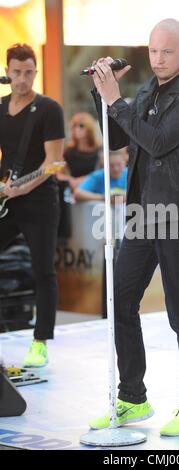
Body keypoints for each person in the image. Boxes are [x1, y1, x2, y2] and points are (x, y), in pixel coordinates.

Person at [89, 18, 179, 437]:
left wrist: (116, 101)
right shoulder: (146, 91)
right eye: (152, 51)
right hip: (141, 214)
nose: (157, 59)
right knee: (120, 301)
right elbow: (116, 140)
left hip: (178, 214)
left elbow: (157, 141)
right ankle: (132, 397)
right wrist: (101, 94)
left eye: (166, 52)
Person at [0, 43, 65, 367]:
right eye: (16, 72)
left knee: (43, 269)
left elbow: (54, 163)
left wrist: (21, 188)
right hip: (7, 197)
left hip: (39, 199)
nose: (22, 79)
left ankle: (40, 341)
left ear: (35, 72)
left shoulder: (49, 109)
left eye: (28, 72)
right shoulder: (0, 107)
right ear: (7, 71)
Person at [60, 112, 101, 191]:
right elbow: (58, 174)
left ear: (89, 128)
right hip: (77, 191)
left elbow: (107, 171)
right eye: (74, 126)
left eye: (81, 126)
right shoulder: (68, 152)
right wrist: (71, 180)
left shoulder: (99, 150)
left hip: (97, 189)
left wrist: (85, 179)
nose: (77, 129)